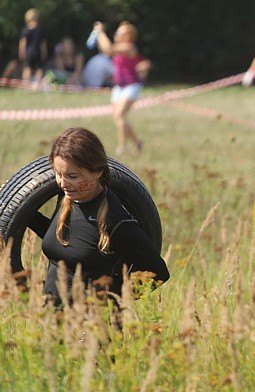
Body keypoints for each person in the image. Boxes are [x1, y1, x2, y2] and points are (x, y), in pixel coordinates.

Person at [26, 127, 169, 307]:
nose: (63, 183)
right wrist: (18, 210)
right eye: (58, 174)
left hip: (91, 327)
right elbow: (69, 241)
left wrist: (109, 301)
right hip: (54, 320)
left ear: (97, 171)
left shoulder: (116, 220)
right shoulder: (66, 198)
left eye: (72, 176)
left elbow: (158, 272)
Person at [94, 20, 151, 156]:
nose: (117, 35)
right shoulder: (119, 47)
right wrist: (99, 34)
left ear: (128, 36)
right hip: (119, 87)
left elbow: (108, 49)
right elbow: (106, 49)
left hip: (131, 86)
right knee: (119, 117)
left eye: (120, 33)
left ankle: (122, 147)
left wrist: (100, 32)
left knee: (119, 115)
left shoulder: (128, 47)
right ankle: (137, 142)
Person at [18, 8, 47, 85]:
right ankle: (38, 85)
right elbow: (43, 44)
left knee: (27, 68)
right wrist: (44, 53)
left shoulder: (26, 29)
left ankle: (26, 85)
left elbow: (23, 42)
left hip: (28, 52)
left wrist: (21, 52)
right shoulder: (40, 29)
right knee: (39, 69)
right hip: (37, 52)